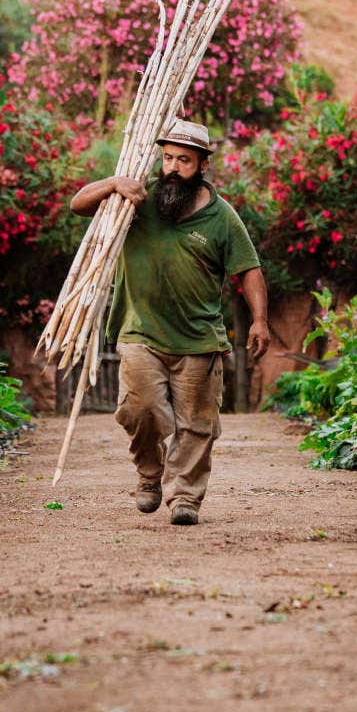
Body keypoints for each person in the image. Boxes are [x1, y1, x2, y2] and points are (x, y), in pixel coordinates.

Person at [69, 119, 270, 526]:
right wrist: (112, 183)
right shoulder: (135, 199)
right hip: (140, 330)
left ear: (202, 165)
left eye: (184, 160)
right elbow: (78, 204)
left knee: (197, 425)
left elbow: (249, 271)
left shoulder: (221, 216)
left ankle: (185, 498)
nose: (173, 167)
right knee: (140, 411)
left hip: (199, 337)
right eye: (168, 158)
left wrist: (259, 321)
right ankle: (149, 474)